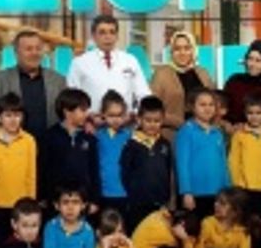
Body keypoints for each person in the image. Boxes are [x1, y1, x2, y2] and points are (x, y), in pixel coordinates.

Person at [0, 29, 67, 146]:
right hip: (12, 148)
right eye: (29, 49)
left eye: (38, 48)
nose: (34, 53)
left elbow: (66, 115)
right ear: (16, 53)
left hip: (51, 148)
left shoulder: (58, 80)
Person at [0, 93, 38, 245]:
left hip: (21, 204)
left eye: (17, 115)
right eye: (8, 115)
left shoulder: (29, 141)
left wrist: (31, 203)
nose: (13, 120)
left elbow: (31, 174)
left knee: (20, 244)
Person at [66, 14, 152, 115]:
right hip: (91, 122)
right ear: (94, 36)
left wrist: (134, 114)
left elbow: (144, 95)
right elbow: (72, 99)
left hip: (125, 121)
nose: (108, 37)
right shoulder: (79, 63)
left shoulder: (130, 61)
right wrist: (88, 117)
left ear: (117, 36)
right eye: (102, 32)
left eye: (112, 32)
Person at [37, 88, 100, 209]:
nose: (86, 114)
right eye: (82, 110)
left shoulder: (89, 138)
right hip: (55, 200)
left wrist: (94, 200)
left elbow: (94, 170)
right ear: (67, 111)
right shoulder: (49, 136)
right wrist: (42, 197)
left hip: (83, 200)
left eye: (87, 110)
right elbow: (42, 169)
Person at [120, 96, 175, 228]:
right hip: (137, 202)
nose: (152, 124)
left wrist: (167, 197)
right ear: (139, 119)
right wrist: (132, 193)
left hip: (160, 201)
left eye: (157, 121)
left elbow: (168, 171)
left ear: (163, 120)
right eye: (148, 120)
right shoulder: (131, 144)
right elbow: (125, 171)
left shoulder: (165, 144)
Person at [175, 89, 230, 216]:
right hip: (196, 193)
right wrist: (186, 192)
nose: (207, 108)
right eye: (202, 105)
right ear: (192, 107)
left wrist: (227, 190)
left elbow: (223, 163)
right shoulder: (186, 131)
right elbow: (182, 165)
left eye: (211, 104)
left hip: (218, 193)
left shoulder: (217, 133)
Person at [149, 31, 214, 134]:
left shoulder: (202, 73)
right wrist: (181, 123)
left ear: (193, 50)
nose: (182, 53)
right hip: (172, 134)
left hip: (203, 132)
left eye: (187, 48)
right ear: (171, 52)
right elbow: (152, 107)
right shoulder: (161, 74)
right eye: (177, 49)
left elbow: (214, 102)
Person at [228, 95, 261, 221]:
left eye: (259, 113)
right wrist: (235, 185)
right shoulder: (239, 135)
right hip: (244, 187)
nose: (254, 117)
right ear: (245, 113)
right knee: (244, 220)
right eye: (250, 113)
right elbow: (233, 161)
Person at [94, 90, 133, 221]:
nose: (116, 119)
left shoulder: (130, 136)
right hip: (103, 193)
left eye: (119, 115)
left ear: (125, 115)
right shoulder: (97, 136)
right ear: (103, 114)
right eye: (111, 115)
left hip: (125, 193)